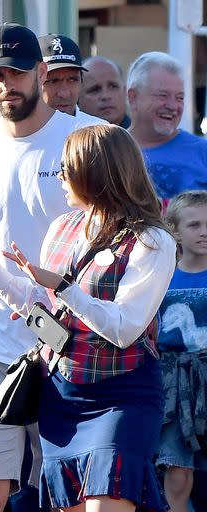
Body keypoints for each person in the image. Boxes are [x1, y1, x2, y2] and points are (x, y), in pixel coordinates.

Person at [0, 124, 176, 512]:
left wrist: (63, 287)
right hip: (61, 393)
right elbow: (39, 305)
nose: (60, 177)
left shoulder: (152, 240)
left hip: (122, 395)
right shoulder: (63, 228)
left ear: (96, 173)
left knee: (106, 504)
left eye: (67, 169)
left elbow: (124, 329)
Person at [0, 22, 98, 512]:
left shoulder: (89, 141)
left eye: (19, 71)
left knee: (67, 493)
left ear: (42, 72)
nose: (9, 83)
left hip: (68, 341)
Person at [155, 190, 207, 512]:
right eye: (194, 224)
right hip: (173, 383)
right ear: (174, 231)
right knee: (176, 470)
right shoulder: (161, 276)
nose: (204, 232)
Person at [127, 51, 207, 201]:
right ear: (133, 97)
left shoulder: (203, 153)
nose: (172, 106)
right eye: (162, 95)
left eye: (179, 98)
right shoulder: (111, 151)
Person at [38, 33, 105, 124]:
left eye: (72, 80)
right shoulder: (16, 132)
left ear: (82, 81)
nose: (64, 93)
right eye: (53, 81)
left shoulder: (99, 133)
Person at [79, 56, 131, 127]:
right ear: (78, 99)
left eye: (113, 86)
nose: (105, 96)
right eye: (95, 89)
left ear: (125, 92)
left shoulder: (144, 137)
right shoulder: (66, 136)